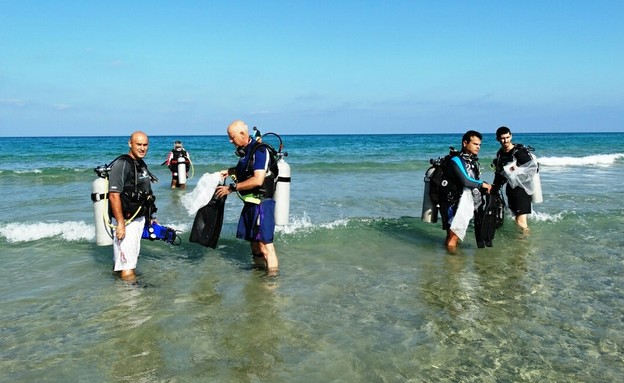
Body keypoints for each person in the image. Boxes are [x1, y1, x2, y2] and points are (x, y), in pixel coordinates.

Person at [214, 120, 279, 274]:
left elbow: (258, 180)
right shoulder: (246, 151)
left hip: (262, 203)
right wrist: (229, 171)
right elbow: (244, 169)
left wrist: (231, 188)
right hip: (250, 203)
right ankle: (258, 275)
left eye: (232, 137)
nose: (230, 141)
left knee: (265, 245)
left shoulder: (260, 151)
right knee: (254, 244)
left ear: (242, 134)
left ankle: (272, 283)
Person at [108, 131, 158, 282]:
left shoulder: (140, 164)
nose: (143, 148)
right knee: (128, 267)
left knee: (125, 262)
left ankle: (119, 290)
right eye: (139, 144)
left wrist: (151, 217)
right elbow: (113, 195)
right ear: (130, 144)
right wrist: (121, 224)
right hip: (127, 221)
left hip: (138, 218)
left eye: (145, 145)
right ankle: (131, 301)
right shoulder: (122, 164)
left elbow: (144, 193)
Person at [440, 130, 492, 251]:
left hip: (458, 201)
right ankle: (454, 264)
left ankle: (448, 260)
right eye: (475, 144)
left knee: (452, 235)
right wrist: (482, 184)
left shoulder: (471, 161)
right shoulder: (456, 160)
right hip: (451, 202)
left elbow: (471, 179)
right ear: (465, 143)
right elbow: (466, 181)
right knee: (454, 235)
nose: (478, 147)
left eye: (479, 145)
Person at [492, 126, 535, 230]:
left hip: (522, 189)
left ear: (511, 136)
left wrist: (514, 170)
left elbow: (532, 169)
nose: (505, 140)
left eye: (507, 137)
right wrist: (494, 188)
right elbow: (499, 174)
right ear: (497, 139)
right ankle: (522, 243)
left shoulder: (519, 152)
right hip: (511, 190)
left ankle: (525, 244)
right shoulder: (500, 154)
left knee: (521, 222)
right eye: (502, 138)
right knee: (517, 220)